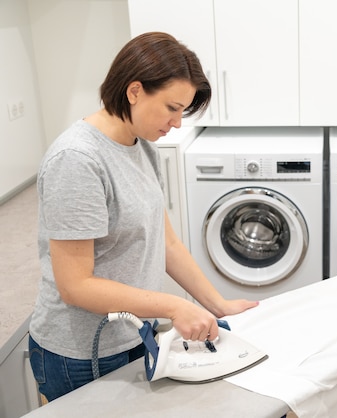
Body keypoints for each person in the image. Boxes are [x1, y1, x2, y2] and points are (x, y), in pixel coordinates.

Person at [28, 32, 259, 402]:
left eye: (183, 110)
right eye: (172, 107)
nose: (178, 122)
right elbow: (75, 285)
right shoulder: (77, 160)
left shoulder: (141, 147)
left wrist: (217, 304)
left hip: (136, 332)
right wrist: (174, 306)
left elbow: (165, 242)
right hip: (82, 351)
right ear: (134, 91)